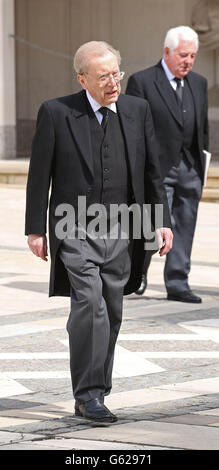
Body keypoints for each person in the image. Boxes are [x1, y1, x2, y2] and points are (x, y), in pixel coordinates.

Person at [25, 41, 172, 423]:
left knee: (112, 309)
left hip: (124, 227)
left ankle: (97, 391)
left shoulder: (138, 110)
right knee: (89, 304)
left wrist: (161, 220)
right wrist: (35, 229)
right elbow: (39, 173)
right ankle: (88, 395)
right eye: (103, 76)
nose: (113, 82)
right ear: (82, 79)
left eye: (116, 73)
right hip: (74, 225)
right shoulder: (57, 112)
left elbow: (152, 171)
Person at [126, 26, 209, 303]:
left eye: (192, 56)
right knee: (152, 226)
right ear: (167, 52)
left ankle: (177, 283)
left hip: (189, 168)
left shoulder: (198, 83)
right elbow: (134, 130)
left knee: (185, 225)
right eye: (183, 55)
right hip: (157, 169)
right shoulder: (143, 82)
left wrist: (200, 165)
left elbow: (202, 128)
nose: (188, 61)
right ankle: (138, 273)